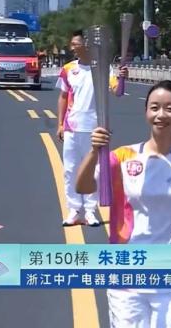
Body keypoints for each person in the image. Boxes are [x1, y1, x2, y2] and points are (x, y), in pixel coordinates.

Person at [75, 80, 171, 328]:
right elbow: (82, 187)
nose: (161, 114)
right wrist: (94, 152)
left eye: (169, 109)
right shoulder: (124, 156)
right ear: (146, 112)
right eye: (155, 107)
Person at [56, 29, 128, 227]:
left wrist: (122, 78)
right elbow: (63, 97)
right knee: (70, 170)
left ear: (86, 45)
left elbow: (118, 92)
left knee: (94, 172)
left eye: (75, 44)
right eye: (72, 44)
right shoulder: (69, 68)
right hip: (72, 127)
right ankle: (73, 211)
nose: (72, 47)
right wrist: (60, 124)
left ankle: (90, 211)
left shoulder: (104, 68)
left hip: (96, 129)